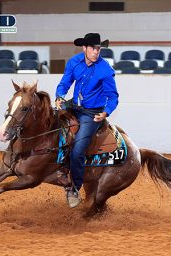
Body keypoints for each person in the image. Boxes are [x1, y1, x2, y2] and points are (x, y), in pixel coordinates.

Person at [55, 33, 119, 208]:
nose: (96, 52)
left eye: (98, 49)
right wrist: (60, 96)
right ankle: (59, 167)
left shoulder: (105, 69)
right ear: (84, 48)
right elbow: (64, 83)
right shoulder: (74, 62)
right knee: (52, 126)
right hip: (74, 107)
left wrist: (105, 113)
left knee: (78, 149)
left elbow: (113, 97)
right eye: (92, 48)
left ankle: (74, 189)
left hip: (92, 113)